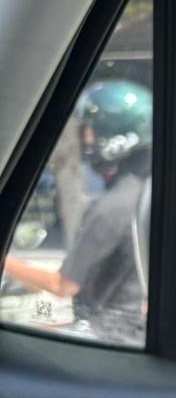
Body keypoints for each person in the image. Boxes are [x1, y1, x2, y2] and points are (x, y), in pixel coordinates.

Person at [3, 80, 152, 345]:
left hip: (106, 336)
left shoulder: (112, 206)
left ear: (113, 137)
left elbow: (62, 286)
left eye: (89, 131)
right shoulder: (146, 195)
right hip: (134, 331)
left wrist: (7, 262)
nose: (85, 139)